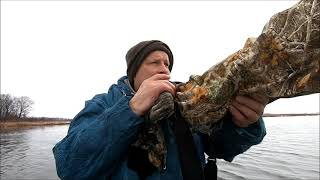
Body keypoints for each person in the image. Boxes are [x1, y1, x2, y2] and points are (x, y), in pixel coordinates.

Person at [53, 40, 269, 180]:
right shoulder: (103, 104)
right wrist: (131, 110)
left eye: (167, 63)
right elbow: (70, 166)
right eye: (154, 62)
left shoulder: (186, 102)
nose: (164, 68)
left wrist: (244, 126)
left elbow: (223, 148)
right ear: (134, 73)